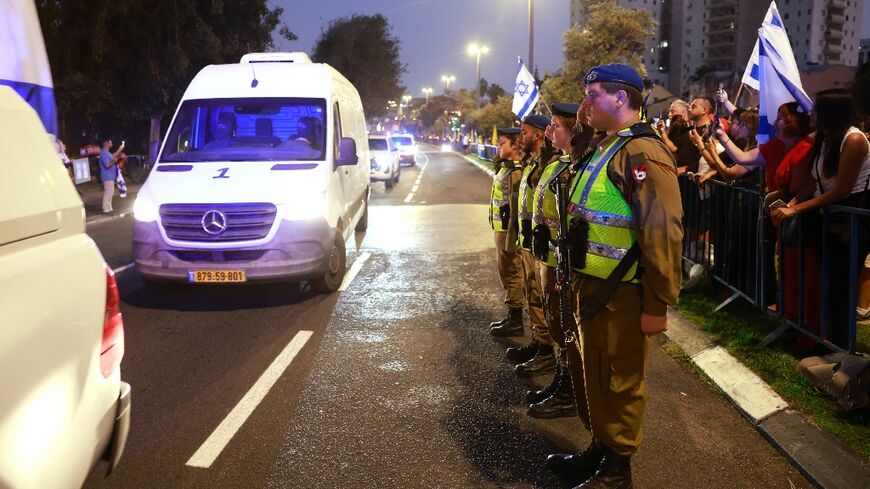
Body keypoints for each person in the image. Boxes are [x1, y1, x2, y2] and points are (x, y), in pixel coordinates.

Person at [546, 64, 683, 488]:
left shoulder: (643, 152)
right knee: (596, 376)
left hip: (625, 293)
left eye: (593, 95)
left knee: (621, 381)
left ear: (621, 98)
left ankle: (617, 469)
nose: (586, 104)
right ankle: (602, 448)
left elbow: (662, 230)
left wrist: (657, 303)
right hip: (594, 288)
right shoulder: (608, 147)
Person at [771, 89, 870, 348]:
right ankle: (828, 342)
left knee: (841, 284)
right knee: (828, 282)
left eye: (815, 109)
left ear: (830, 112)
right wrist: (792, 203)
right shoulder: (826, 138)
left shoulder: (853, 139)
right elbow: (814, 181)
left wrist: (796, 210)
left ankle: (842, 348)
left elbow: (842, 190)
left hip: (851, 218)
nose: (810, 114)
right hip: (831, 216)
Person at [526, 103, 583, 420]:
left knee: (565, 325)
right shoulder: (557, 164)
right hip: (548, 254)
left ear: (573, 132)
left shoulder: (574, 168)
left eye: (555, 125)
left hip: (562, 260)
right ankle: (562, 379)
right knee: (554, 318)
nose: (549, 131)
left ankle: (569, 391)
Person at [496, 114, 553, 370]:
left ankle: (547, 351)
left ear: (538, 135)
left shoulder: (548, 165)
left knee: (541, 297)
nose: (521, 137)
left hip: (541, 245)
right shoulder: (532, 163)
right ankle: (539, 342)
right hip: (528, 241)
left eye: (524, 132)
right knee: (532, 293)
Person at [487, 127, 525, 337]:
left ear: (515, 145)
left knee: (511, 272)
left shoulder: (516, 171)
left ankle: (516, 319)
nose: (498, 146)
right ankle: (512, 315)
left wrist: (512, 239)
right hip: (500, 229)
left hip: (507, 231)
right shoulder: (505, 167)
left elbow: (515, 208)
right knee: (506, 271)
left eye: (502, 143)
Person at [99, 138, 124, 214]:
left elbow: (113, 156)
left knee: (111, 192)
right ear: (106, 144)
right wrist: (114, 160)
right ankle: (105, 209)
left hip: (110, 176)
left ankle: (109, 207)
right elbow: (107, 165)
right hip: (107, 176)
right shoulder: (103, 153)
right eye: (110, 142)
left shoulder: (106, 153)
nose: (111, 143)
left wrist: (119, 151)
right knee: (108, 192)